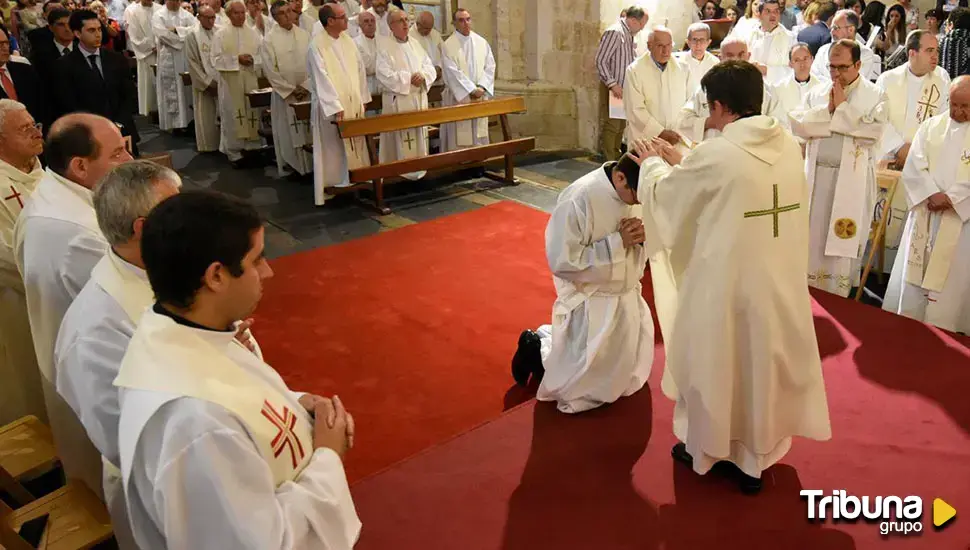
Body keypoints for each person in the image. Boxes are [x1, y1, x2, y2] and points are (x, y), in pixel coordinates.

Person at [115, 190, 361, 549]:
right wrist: (327, 457)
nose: (268, 271)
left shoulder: (175, 334)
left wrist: (296, 404)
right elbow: (266, 542)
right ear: (216, 276)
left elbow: (234, 391)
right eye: (257, 260)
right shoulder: (194, 422)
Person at [635, 60, 832, 494]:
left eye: (710, 108)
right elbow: (734, 183)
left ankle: (708, 450)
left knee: (719, 365)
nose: (708, 117)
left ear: (722, 107)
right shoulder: (786, 145)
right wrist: (684, 158)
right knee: (760, 367)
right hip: (777, 282)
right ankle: (754, 458)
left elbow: (671, 198)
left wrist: (652, 164)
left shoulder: (718, 152)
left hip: (725, 287)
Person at [54, 160, 182, 550]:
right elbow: (125, 438)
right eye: (177, 211)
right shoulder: (95, 331)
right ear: (144, 228)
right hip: (164, 490)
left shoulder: (162, 270)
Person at [14, 113, 133, 496]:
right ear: (80, 166)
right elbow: (131, 307)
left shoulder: (54, 194)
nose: (129, 162)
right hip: (99, 383)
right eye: (117, 154)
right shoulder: (79, 232)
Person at [511, 154, 654, 414]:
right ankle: (534, 351)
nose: (638, 203)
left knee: (623, 373)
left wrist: (645, 238)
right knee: (579, 386)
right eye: (636, 196)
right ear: (620, 177)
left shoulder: (637, 186)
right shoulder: (579, 197)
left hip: (626, 293)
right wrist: (617, 243)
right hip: (593, 298)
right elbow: (562, 260)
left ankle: (551, 345)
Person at [789, 39, 888, 297]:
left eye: (842, 67)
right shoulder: (818, 92)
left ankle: (838, 291)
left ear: (858, 64)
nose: (835, 74)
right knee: (814, 234)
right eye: (831, 67)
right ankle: (809, 289)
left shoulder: (874, 94)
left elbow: (872, 133)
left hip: (851, 181)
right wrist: (829, 109)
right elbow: (798, 125)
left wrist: (842, 109)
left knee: (841, 236)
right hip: (817, 177)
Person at [883, 76, 970, 333]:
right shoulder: (931, 127)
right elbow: (914, 165)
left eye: (965, 106)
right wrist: (931, 193)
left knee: (954, 278)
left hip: (959, 221)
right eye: (954, 105)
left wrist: (952, 197)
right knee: (917, 273)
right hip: (926, 213)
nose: (958, 111)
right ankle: (912, 320)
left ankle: (950, 324)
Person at [0, 99, 44, 426]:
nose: (36, 133)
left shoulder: (44, 174)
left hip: (56, 293)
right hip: (19, 301)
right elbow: (7, 257)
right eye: (24, 129)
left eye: (34, 124)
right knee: (28, 379)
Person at [307, 2, 370, 205]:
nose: (346, 19)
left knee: (355, 146)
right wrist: (336, 106)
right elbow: (321, 78)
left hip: (353, 104)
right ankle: (334, 186)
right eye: (342, 16)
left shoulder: (348, 41)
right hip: (332, 109)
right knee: (334, 149)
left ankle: (356, 180)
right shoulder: (317, 45)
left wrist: (363, 98)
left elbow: (359, 71)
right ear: (330, 21)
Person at [678, 36, 787, 143]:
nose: (736, 60)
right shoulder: (706, 89)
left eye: (741, 55)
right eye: (730, 56)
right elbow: (683, 121)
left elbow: (781, 126)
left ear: (748, 56)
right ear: (720, 59)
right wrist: (709, 122)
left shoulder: (765, 90)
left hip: (752, 151)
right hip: (714, 152)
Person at [876, 29, 951, 167]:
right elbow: (879, 118)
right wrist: (899, 148)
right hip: (890, 155)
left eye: (937, 51)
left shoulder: (942, 78)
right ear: (912, 53)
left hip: (924, 157)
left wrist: (919, 151)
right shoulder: (887, 79)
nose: (935, 56)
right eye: (929, 51)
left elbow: (944, 119)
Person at [375, 9, 435, 179]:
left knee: (417, 137)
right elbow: (383, 74)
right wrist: (408, 79)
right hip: (399, 102)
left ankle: (419, 169)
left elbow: (429, 67)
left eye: (406, 20)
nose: (405, 24)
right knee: (400, 140)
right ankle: (396, 174)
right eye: (400, 21)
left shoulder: (415, 44)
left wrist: (422, 75)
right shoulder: (384, 46)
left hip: (417, 100)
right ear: (391, 26)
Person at [260, 0, 312, 176]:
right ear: (275, 18)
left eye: (290, 11)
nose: (289, 15)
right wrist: (290, 89)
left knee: (308, 130)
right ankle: (292, 166)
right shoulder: (269, 40)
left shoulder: (305, 35)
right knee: (288, 130)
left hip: (307, 93)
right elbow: (270, 70)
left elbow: (314, 64)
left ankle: (311, 166)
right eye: (283, 13)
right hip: (286, 96)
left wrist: (306, 86)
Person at [212, 0, 264, 166]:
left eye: (243, 13)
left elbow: (263, 55)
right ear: (228, 14)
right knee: (232, 114)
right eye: (237, 13)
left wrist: (253, 60)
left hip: (249, 79)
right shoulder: (220, 34)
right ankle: (234, 152)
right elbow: (215, 59)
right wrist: (237, 60)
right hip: (230, 81)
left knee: (251, 111)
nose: (241, 16)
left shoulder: (254, 33)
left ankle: (253, 148)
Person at [595, 6, 649, 161]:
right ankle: (609, 161)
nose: (641, 29)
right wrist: (612, 84)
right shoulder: (615, 32)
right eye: (641, 25)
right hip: (614, 87)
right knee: (612, 126)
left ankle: (616, 157)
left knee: (620, 127)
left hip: (624, 88)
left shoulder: (628, 34)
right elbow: (601, 60)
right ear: (632, 20)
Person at [623, 26, 690, 151]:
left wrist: (677, 132)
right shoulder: (635, 71)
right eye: (660, 46)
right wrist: (660, 132)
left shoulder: (683, 68)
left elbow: (689, 102)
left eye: (669, 45)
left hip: (676, 138)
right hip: (646, 140)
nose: (665, 51)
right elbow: (634, 109)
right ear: (649, 46)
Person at [440, 8, 496, 152]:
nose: (466, 23)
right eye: (461, 20)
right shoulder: (448, 45)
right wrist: (471, 89)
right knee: (460, 135)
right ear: (454, 23)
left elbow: (490, 66)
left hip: (479, 96)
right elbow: (452, 72)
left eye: (468, 19)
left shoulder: (481, 42)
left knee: (478, 133)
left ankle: (479, 161)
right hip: (460, 97)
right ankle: (461, 164)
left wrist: (482, 87)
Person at [152, 0, 198, 134]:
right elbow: (162, 34)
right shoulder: (158, 15)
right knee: (171, 90)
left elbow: (195, 29)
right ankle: (174, 125)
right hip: (168, 56)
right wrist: (182, 37)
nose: (176, 2)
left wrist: (177, 30)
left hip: (185, 57)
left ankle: (189, 122)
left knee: (186, 90)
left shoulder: (187, 15)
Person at [185, 5, 221, 152]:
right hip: (205, 84)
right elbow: (192, 62)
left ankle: (223, 144)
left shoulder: (219, 31)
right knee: (206, 116)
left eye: (213, 17)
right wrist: (208, 83)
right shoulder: (192, 35)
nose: (212, 21)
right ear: (199, 18)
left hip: (220, 82)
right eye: (208, 18)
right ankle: (209, 146)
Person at [810, 9, 881, 82]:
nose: (832, 32)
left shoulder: (865, 54)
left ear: (851, 30)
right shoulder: (823, 50)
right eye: (831, 28)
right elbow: (814, 77)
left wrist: (826, 81)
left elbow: (852, 81)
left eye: (835, 28)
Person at [745, 0, 797, 85]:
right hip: (752, 85)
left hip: (778, 88)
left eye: (776, 11)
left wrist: (767, 70)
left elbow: (794, 69)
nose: (773, 15)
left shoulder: (790, 38)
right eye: (768, 11)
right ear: (759, 14)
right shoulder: (749, 35)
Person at [125, 0, 162, 117]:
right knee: (148, 83)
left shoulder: (160, 9)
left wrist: (161, 44)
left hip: (163, 52)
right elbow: (134, 34)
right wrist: (152, 46)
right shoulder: (133, 11)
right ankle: (151, 111)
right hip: (147, 54)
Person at [676, 22, 719, 94]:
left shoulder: (715, 63)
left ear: (708, 42)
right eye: (694, 39)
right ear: (688, 42)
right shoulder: (679, 63)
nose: (698, 44)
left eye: (702, 40)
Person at [409, 10, 443, 83]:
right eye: (426, 28)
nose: (429, 31)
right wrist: (427, 73)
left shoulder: (435, 34)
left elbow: (445, 53)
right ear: (418, 24)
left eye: (430, 28)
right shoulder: (409, 37)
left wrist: (439, 67)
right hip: (422, 79)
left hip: (438, 77)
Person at [353, 10, 379, 97]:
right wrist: (382, 65)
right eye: (366, 21)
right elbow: (367, 68)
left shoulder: (383, 40)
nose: (370, 23)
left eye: (372, 21)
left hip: (382, 85)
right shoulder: (355, 43)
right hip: (365, 85)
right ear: (360, 25)